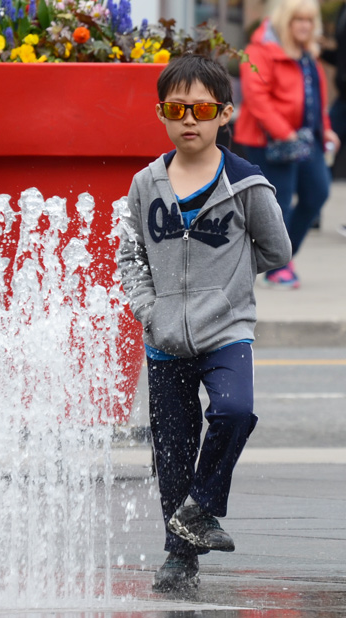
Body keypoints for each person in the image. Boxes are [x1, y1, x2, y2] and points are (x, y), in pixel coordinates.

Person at [117, 53, 291, 593]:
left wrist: (228, 290)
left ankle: (203, 507)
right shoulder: (145, 184)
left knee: (236, 412)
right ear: (161, 114)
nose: (189, 118)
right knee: (171, 452)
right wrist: (152, 311)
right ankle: (180, 557)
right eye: (177, 108)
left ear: (225, 114)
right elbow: (131, 259)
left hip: (227, 332)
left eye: (202, 108)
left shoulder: (247, 183)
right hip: (165, 338)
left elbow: (276, 249)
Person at [234, 0, 340, 288]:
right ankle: (278, 266)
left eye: (309, 20)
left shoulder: (308, 55)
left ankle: (281, 256)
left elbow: (315, 99)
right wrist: (284, 132)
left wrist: (326, 130)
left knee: (317, 192)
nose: (305, 26)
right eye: (298, 20)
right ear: (285, 21)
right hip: (268, 140)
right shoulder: (259, 51)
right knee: (279, 203)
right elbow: (257, 99)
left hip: (306, 140)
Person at [321, 0, 346, 237]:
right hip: (343, 98)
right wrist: (320, 52)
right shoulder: (342, 9)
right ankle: (313, 209)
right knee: (325, 149)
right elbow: (342, 54)